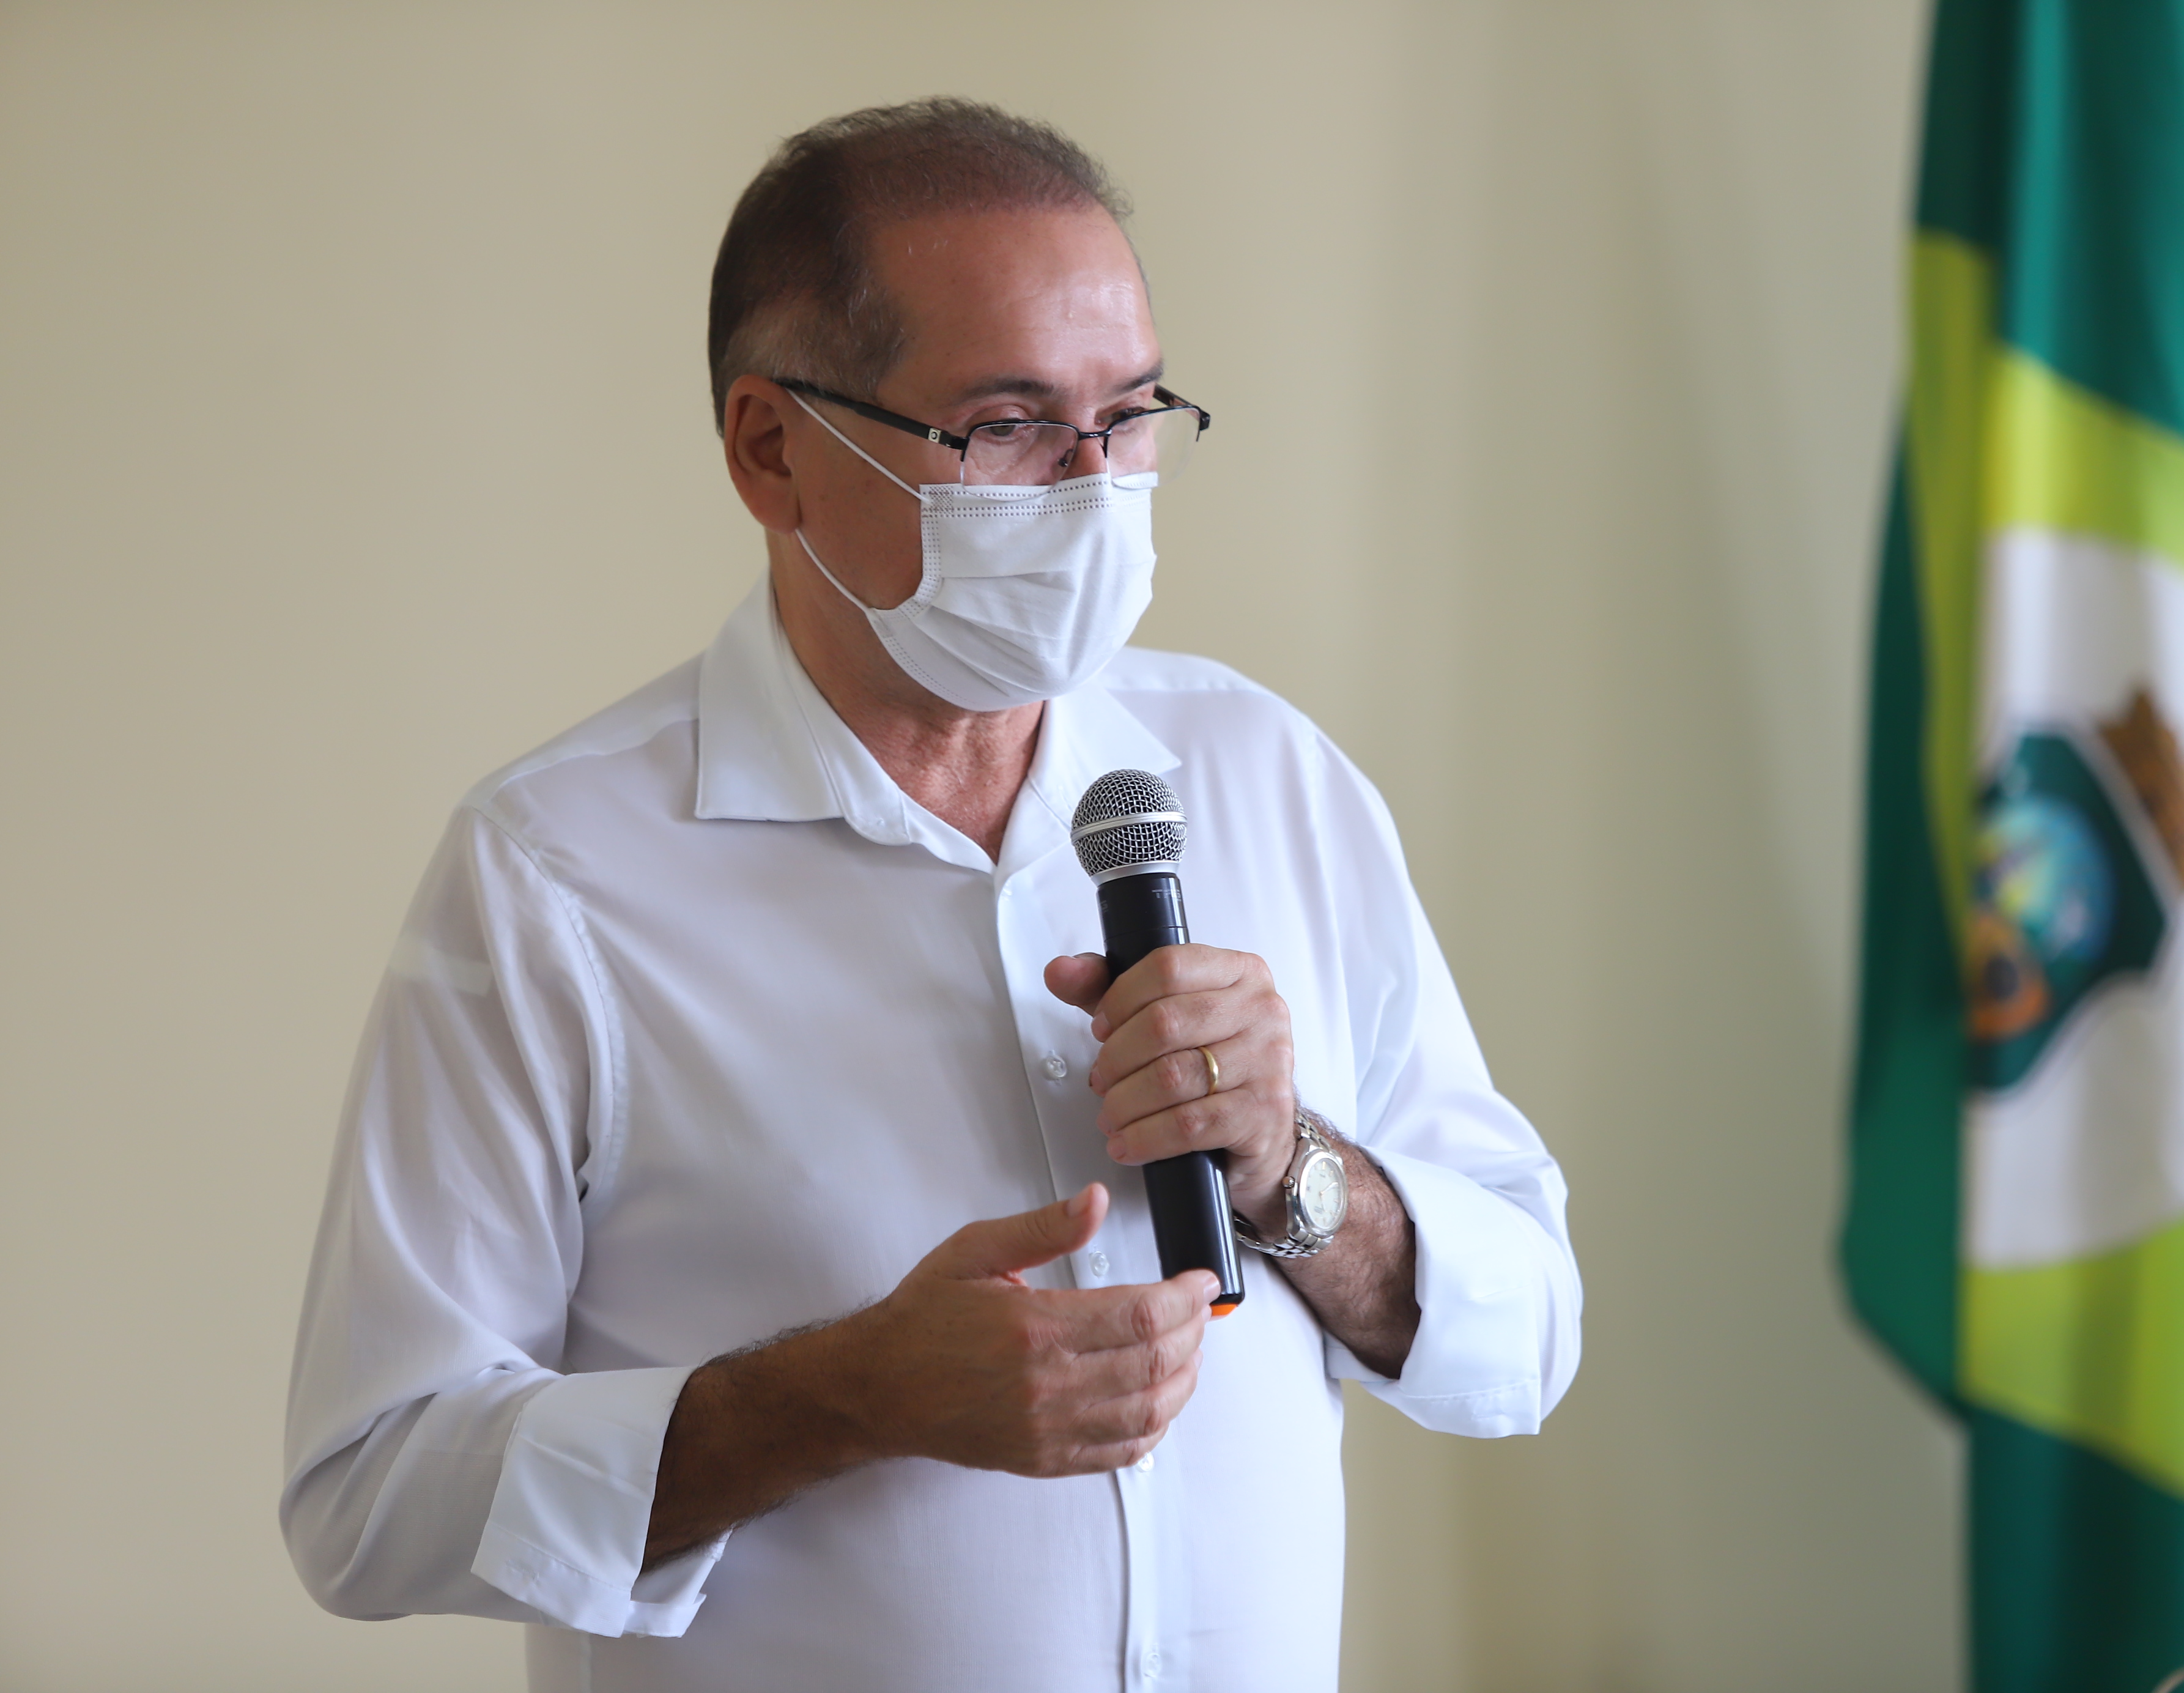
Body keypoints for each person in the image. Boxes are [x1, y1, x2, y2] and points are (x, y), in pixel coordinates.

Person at [281, 98, 1581, 1692]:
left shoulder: (1268, 774)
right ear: (772, 450)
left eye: (1131, 413)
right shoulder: (557, 874)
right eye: (1008, 423)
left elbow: (1525, 1339)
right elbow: (370, 1494)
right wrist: (842, 1397)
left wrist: (1288, 1164)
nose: (1095, 488)